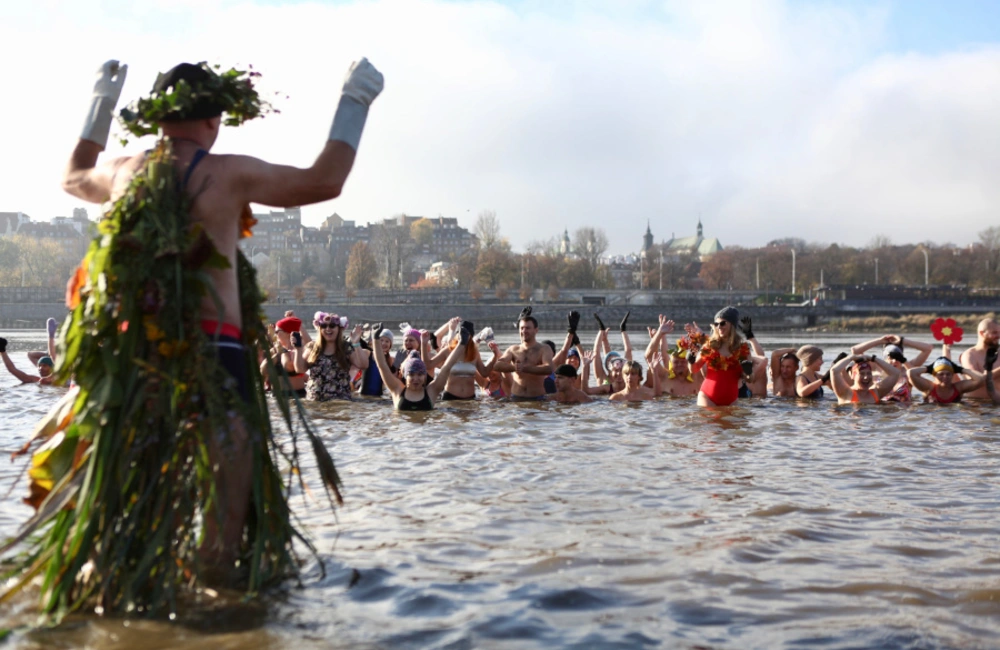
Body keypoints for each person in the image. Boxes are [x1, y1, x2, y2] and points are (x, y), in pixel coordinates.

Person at [10, 57, 383, 618]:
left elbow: (70, 177)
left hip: (135, 360)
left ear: (159, 119)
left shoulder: (124, 171)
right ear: (215, 119)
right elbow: (323, 180)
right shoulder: (228, 174)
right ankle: (217, 605)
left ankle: (114, 606)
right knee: (226, 499)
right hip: (217, 352)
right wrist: (356, 98)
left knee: (123, 487)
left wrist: (101, 102)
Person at [373, 324, 472, 411]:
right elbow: (382, 366)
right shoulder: (397, 389)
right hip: (402, 432)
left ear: (425, 376)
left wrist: (461, 344)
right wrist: (375, 338)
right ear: (405, 376)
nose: (416, 378)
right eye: (411, 374)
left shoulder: (432, 391)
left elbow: (447, 367)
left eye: (420, 374)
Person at [295, 312, 368, 401]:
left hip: (340, 401)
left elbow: (363, 365)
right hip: (315, 401)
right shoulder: (312, 347)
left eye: (332, 325)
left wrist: (356, 343)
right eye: (324, 326)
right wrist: (298, 349)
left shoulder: (346, 347)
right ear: (319, 328)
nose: (328, 328)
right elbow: (300, 369)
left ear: (339, 328)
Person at [692, 307, 752, 407]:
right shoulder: (709, 346)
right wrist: (691, 359)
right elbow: (694, 369)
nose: (719, 327)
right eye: (716, 324)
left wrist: (748, 372)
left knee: (733, 422)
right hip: (707, 397)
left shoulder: (743, 350)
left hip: (731, 400)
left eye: (723, 323)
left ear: (732, 325)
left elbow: (750, 379)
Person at [427, 320, 497, 400]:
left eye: (466, 335)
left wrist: (495, 355)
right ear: (457, 335)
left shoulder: (474, 352)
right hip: (451, 397)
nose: (463, 337)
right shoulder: (448, 350)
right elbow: (429, 364)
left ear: (471, 337)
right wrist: (423, 342)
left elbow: (484, 373)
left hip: (470, 399)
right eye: (461, 334)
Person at [851, 334, 933, 402]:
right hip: (881, 410)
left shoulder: (908, 369)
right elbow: (855, 351)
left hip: (902, 413)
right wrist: (880, 341)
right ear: (885, 359)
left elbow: (928, 348)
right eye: (891, 358)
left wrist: (902, 340)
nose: (894, 361)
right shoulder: (876, 368)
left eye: (898, 358)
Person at [492, 315, 555, 400]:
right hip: (516, 398)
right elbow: (497, 365)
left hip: (537, 399)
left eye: (528, 328)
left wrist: (525, 368)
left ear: (536, 330)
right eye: (521, 328)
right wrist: (514, 367)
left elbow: (549, 368)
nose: (524, 331)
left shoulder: (544, 349)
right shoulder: (513, 349)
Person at [906, 356, 983, 404]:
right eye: (941, 374)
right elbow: (911, 373)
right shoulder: (929, 388)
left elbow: (981, 378)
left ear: (952, 375)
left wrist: (960, 369)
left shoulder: (958, 388)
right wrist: (928, 368)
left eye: (948, 374)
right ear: (934, 375)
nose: (945, 377)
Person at [829, 354, 901, 404]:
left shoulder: (876, 392)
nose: (866, 377)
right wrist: (851, 358)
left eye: (869, 373)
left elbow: (895, 373)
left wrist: (873, 358)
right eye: (862, 374)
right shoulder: (845, 393)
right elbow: (834, 371)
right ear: (853, 375)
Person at [959, 318, 1000, 399]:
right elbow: (975, 380)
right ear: (982, 333)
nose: (998, 336)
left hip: (997, 406)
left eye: (999, 332)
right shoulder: (969, 355)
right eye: (994, 333)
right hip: (976, 404)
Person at [358, 326, 395, 398]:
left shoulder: (391, 360)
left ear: (390, 345)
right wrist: (356, 341)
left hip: (379, 397)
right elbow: (355, 352)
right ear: (376, 342)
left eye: (387, 341)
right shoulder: (368, 353)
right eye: (381, 340)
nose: (384, 343)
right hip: (363, 396)